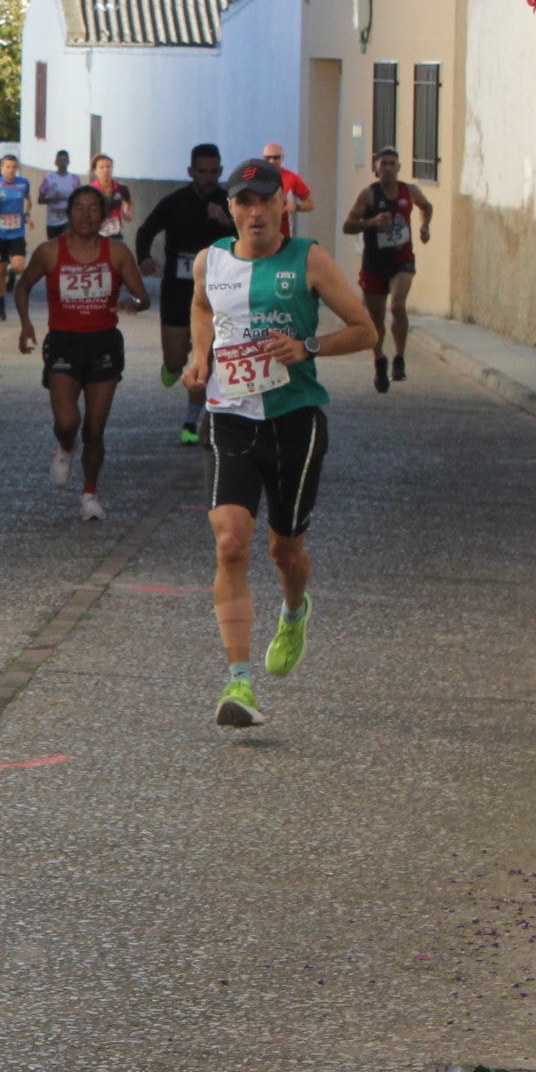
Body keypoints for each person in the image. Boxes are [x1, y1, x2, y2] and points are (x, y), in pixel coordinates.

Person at [187, 158, 379, 731]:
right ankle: (238, 681)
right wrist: (202, 355)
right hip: (229, 418)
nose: (254, 212)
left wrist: (309, 347)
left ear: (282, 207)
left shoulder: (309, 259)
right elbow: (201, 306)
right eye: (243, 202)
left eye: (264, 201)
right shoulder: (210, 262)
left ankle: (294, 610)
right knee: (230, 543)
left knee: (284, 551)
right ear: (232, 210)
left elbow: (366, 330)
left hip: (295, 420)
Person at [14, 184, 150, 521]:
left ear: (103, 215)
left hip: (104, 343)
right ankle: (64, 446)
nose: (86, 215)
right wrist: (26, 324)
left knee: (94, 428)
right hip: (63, 343)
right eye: (79, 208)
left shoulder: (117, 253)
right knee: (67, 421)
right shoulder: (49, 252)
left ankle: (89, 493)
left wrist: (131, 303)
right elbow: (23, 286)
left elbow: (143, 297)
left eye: (93, 208)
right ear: (68, 212)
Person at [132, 145, 238, 446]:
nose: (208, 177)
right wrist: (144, 258)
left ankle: (192, 419)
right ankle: (171, 366)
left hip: (218, 292)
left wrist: (226, 221)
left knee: (205, 358)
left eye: (214, 171)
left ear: (220, 171)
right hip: (178, 291)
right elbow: (145, 230)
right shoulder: (174, 202)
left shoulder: (230, 202)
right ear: (191, 172)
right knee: (177, 359)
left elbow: (251, 236)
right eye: (202, 171)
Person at [342, 146, 433, 393]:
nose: (389, 168)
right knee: (376, 320)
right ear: (376, 168)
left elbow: (426, 206)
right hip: (375, 264)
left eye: (393, 164)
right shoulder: (368, 195)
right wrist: (371, 222)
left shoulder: (409, 191)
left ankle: (400, 358)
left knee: (398, 305)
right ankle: (380, 360)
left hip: (402, 261)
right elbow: (347, 226)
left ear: (399, 168)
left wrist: (425, 228)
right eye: (384, 164)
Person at [0, 156, 33, 322]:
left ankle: (13, 272)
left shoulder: (23, 183)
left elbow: (27, 200)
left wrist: (26, 215)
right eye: (8, 167)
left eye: (13, 167)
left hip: (16, 234)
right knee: (0, 271)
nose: (11, 170)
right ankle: (1, 306)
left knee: (19, 267)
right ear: (2, 168)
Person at [260, 141, 314, 238]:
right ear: (263, 159)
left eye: (276, 157)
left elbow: (310, 204)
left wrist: (295, 206)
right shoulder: (256, 179)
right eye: (268, 158)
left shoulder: (292, 178)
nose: (272, 161)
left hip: (285, 234)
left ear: (282, 158)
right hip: (262, 232)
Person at [37, 150, 84, 242]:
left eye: (65, 161)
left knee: (68, 246)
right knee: (54, 249)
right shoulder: (49, 179)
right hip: (53, 222)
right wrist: (51, 199)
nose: (63, 163)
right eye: (60, 161)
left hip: (69, 220)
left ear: (68, 162)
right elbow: (39, 200)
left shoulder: (75, 179)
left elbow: (80, 197)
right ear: (56, 163)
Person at [87, 153, 132, 239]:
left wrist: (127, 212)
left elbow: (127, 201)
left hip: (116, 236)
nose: (106, 170)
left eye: (109, 166)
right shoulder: (89, 190)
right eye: (101, 167)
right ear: (95, 171)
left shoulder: (121, 189)